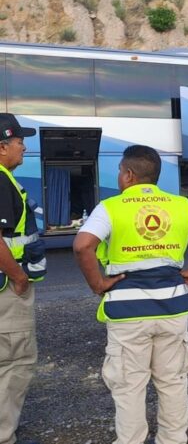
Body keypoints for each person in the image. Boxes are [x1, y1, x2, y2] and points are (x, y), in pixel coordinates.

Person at [73, 145, 188, 444]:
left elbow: (82, 246)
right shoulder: (182, 205)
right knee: (172, 381)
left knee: (129, 385)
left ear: (128, 174)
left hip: (127, 311)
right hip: (173, 307)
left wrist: (98, 284)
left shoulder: (110, 207)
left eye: (119, 170)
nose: (119, 176)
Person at [0, 113, 47, 444]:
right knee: (14, 362)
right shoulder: (1, 182)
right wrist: (18, 277)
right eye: (19, 142)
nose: (24, 148)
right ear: (2, 146)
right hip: (6, 289)